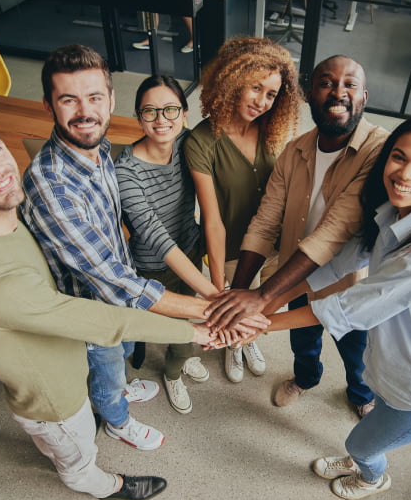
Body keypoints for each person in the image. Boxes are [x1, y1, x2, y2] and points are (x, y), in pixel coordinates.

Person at [0, 104, 217, 500]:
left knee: (106, 375)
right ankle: (105, 485)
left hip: (62, 356)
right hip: (54, 400)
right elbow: (110, 322)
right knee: (77, 452)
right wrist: (197, 330)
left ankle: (111, 407)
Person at [20, 44, 266, 452]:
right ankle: (116, 420)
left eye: (95, 97)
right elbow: (120, 281)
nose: (85, 111)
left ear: (111, 100)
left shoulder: (95, 146)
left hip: (123, 279)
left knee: (126, 352)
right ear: (49, 104)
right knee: (108, 365)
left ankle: (126, 387)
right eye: (69, 99)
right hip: (93, 304)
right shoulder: (53, 186)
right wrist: (220, 307)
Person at [261, 112, 411, 500]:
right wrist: (268, 301)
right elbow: (340, 264)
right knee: (373, 428)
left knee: (361, 444)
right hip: (396, 369)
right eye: (399, 157)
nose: (405, 174)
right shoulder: (394, 213)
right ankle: (365, 453)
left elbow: (349, 307)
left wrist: (259, 323)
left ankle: (370, 476)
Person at [206, 55, 389, 418]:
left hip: (347, 282)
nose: (338, 92)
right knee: (302, 340)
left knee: (355, 348)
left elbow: (334, 231)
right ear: (309, 94)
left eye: (349, 84)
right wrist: (238, 292)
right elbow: (264, 222)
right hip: (294, 276)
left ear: (364, 96)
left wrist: (260, 296)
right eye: (326, 83)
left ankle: (360, 393)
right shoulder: (295, 150)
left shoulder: (378, 150)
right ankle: (305, 379)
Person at [184, 36, 302, 383]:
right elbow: (213, 220)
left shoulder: (272, 131)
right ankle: (234, 344)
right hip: (234, 244)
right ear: (232, 80)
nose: (263, 102)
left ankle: (249, 337)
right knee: (237, 299)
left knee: (266, 301)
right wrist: (219, 287)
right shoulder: (201, 141)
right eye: (256, 88)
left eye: (271, 95)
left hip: (277, 243)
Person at [115, 75, 218, 414]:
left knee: (191, 318)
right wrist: (214, 294)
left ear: (185, 114)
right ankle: (172, 374)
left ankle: (180, 361)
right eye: (150, 111)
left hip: (190, 245)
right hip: (153, 265)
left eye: (171, 109)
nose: (161, 120)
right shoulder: (125, 171)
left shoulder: (188, 143)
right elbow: (155, 237)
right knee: (181, 324)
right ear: (138, 117)